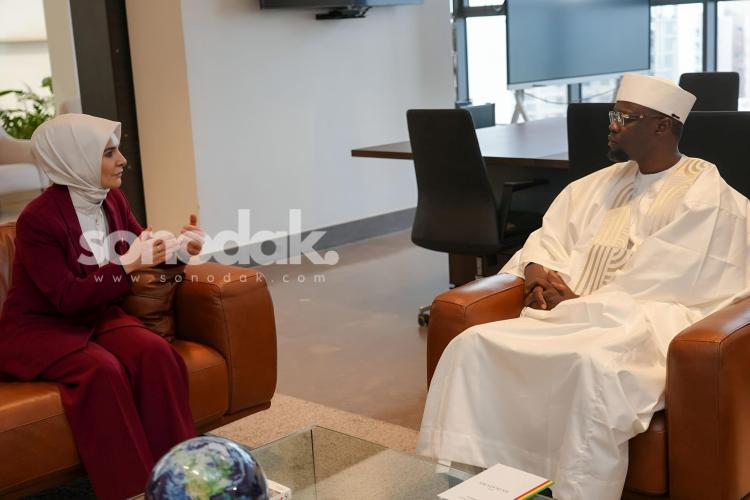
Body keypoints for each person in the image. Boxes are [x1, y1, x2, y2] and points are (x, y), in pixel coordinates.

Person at [417, 73, 750, 499]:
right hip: (573, 315)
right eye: (613, 114)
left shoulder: (703, 191)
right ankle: (475, 482)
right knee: (472, 344)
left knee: (594, 367)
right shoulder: (600, 183)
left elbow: (676, 276)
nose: (611, 124)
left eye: (624, 118)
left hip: (646, 321)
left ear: (662, 126)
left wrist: (583, 301)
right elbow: (550, 235)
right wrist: (535, 268)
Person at [0, 114, 205, 499]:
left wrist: (182, 248)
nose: (123, 160)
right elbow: (66, 297)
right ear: (74, 159)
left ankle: (182, 477)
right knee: (102, 371)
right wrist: (126, 265)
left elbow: (144, 247)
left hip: (94, 317)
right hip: (40, 327)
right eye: (109, 153)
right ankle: (132, 491)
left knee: (156, 354)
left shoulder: (112, 199)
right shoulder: (37, 220)